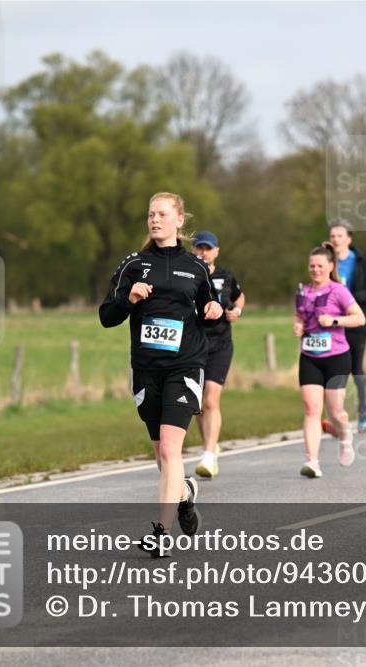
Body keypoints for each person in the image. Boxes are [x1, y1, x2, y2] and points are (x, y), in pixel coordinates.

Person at [99, 192, 222, 556]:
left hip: (185, 365)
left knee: (171, 448)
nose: (155, 220)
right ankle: (184, 493)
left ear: (179, 220)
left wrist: (214, 307)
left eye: (162, 214)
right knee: (162, 455)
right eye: (151, 214)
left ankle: (159, 534)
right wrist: (129, 299)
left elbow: (208, 307)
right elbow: (107, 316)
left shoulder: (196, 267)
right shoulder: (132, 265)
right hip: (147, 369)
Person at [293, 243, 366, 478]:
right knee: (311, 409)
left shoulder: (339, 291)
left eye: (320, 266)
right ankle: (312, 462)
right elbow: (299, 315)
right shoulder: (303, 292)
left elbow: (359, 318)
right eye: (312, 266)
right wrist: (298, 325)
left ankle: (345, 436)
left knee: (335, 412)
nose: (315, 270)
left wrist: (335, 321)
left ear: (330, 266)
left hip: (336, 357)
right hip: (309, 357)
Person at [190, 231, 245, 479]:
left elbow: (238, 297)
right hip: (193, 345)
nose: (203, 252)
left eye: (207, 248)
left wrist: (237, 311)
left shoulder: (226, 275)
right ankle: (209, 447)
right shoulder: (187, 275)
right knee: (197, 405)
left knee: (211, 400)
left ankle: (210, 455)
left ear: (216, 251)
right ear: (193, 250)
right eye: (199, 248)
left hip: (220, 344)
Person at [327, 219, 366, 432]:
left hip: (356, 322)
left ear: (349, 239)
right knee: (335, 369)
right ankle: (336, 416)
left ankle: (363, 407)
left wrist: (355, 297)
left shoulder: (362, 261)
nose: (336, 239)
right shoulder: (325, 261)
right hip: (332, 325)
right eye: (333, 236)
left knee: (355, 369)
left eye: (340, 236)